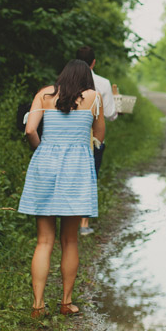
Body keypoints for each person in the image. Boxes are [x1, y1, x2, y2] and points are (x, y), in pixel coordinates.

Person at [18, 59, 106, 318]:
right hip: (76, 171)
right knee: (70, 240)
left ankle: (38, 306)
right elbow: (99, 138)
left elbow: (30, 129)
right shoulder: (93, 98)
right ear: (86, 78)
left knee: (44, 241)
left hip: (44, 166)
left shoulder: (44, 94)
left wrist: (41, 147)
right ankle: (66, 303)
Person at [75, 46, 117, 236]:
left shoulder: (66, 82)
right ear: (93, 62)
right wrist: (118, 110)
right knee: (90, 178)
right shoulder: (102, 83)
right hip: (93, 138)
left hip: (70, 137)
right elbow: (110, 114)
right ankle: (84, 224)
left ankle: (66, 218)